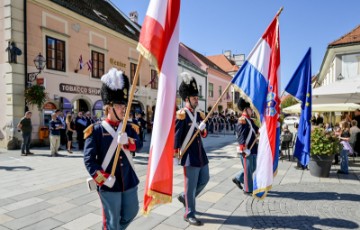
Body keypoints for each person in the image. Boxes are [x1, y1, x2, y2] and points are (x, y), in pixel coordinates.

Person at [83, 68, 140, 230]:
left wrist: (128, 141)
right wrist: (102, 178)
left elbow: (140, 144)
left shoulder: (129, 127)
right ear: (109, 107)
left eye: (124, 105)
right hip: (109, 183)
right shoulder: (96, 130)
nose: (124, 109)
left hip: (129, 180)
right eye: (120, 105)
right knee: (112, 221)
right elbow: (88, 160)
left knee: (132, 211)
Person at [174, 72, 208, 226]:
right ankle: (189, 212)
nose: (197, 100)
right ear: (186, 99)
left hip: (201, 154)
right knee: (191, 186)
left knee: (205, 179)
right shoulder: (182, 115)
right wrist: (176, 155)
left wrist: (203, 128)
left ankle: (185, 197)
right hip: (189, 156)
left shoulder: (199, 114)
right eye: (194, 98)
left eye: (197, 97)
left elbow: (205, 134)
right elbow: (176, 137)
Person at [232, 97, 259, 195]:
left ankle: (238, 177)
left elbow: (256, 129)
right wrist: (244, 149)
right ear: (245, 109)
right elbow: (241, 136)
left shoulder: (250, 120)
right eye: (250, 109)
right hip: (246, 150)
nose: (252, 110)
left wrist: (260, 130)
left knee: (253, 167)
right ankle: (248, 189)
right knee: (248, 170)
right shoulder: (242, 120)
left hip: (253, 149)